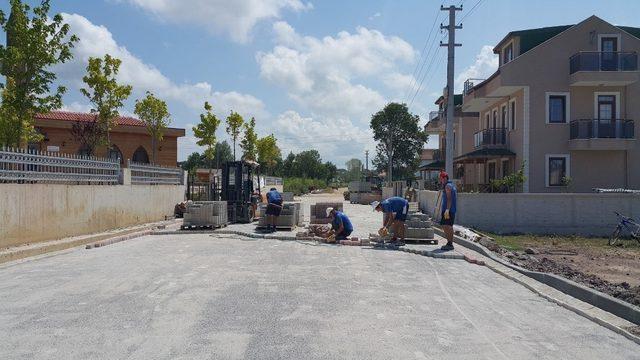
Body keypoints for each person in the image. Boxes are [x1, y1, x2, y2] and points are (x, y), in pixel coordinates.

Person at [439, 171, 457, 251]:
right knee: (447, 226)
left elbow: (449, 199)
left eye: (441, 179)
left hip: (448, 210)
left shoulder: (448, 186)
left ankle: (450, 243)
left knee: (446, 226)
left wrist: (447, 210)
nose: (441, 181)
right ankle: (449, 243)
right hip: (450, 209)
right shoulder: (451, 185)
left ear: (445, 178)